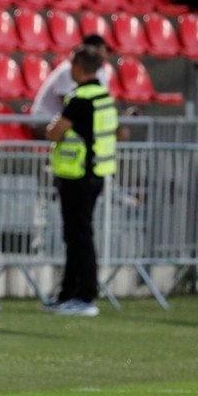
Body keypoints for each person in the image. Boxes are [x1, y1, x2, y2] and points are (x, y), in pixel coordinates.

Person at [43, 45, 118, 317]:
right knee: (77, 236)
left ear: (78, 67)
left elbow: (55, 133)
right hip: (94, 173)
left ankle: (84, 295)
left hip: (78, 175)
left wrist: (52, 128)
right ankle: (69, 294)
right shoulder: (103, 96)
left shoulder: (81, 99)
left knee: (79, 237)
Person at [30, 33, 112, 120]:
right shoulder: (68, 70)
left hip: (67, 121)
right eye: (104, 50)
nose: (106, 54)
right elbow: (70, 108)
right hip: (45, 121)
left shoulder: (101, 72)